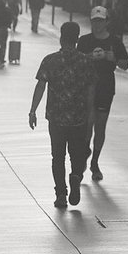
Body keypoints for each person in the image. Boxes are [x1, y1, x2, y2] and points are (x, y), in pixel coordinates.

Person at [29, 21, 97, 209]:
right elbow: (91, 90)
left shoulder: (50, 60)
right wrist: (90, 113)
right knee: (77, 154)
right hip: (79, 117)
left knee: (57, 157)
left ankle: (61, 194)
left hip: (56, 117)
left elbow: (41, 85)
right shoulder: (86, 61)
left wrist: (32, 110)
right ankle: (76, 176)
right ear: (76, 39)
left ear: (61, 37)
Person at [77, 6, 128, 181]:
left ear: (107, 22)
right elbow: (75, 61)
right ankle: (85, 152)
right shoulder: (84, 41)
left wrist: (112, 57)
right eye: (94, 20)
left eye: (100, 21)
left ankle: (95, 162)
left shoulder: (115, 41)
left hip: (105, 87)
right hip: (86, 87)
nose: (97, 24)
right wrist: (89, 57)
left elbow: (125, 64)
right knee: (87, 124)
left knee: (100, 125)